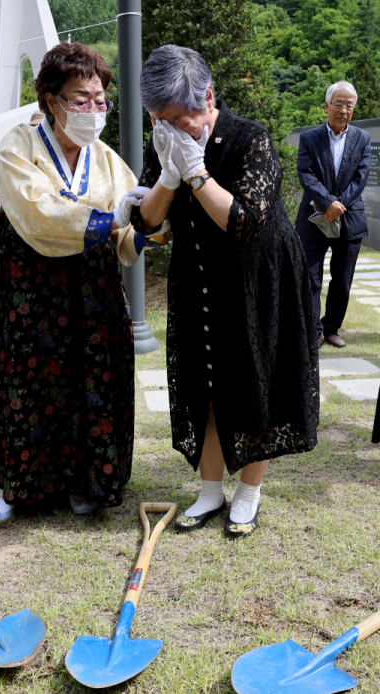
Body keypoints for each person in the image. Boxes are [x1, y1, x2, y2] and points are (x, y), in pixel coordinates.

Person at [0, 42, 166, 522]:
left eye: (100, 99)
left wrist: (148, 219)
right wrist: (112, 219)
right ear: (51, 100)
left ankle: (84, 480)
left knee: (89, 376)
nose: (93, 109)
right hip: (24, 279)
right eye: (80, 99)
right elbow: (38, 212)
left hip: (90, 283)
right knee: (24, 375)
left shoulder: (107, 159)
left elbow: (130, 231)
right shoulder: (15, 146)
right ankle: (16, 484)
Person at [132, 45, 319, 538]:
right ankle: (210, 490)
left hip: (258, 278)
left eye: (177, 117)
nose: (170, 128)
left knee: (253, 380)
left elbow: (242, 223)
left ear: (207, 97)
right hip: (198, 278)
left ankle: (249, 494)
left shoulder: (250, 138)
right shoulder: (168, 141)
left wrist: (195, 173)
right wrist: (169, 175)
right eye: (159, 119)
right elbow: (147, 223)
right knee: (204, 383)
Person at [296, 81, 371, 349]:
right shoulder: (309, 138)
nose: (343, 110)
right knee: (311, 277)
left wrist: (340, 204)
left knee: (342, 280)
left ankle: (331, 328)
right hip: (314, 218)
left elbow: (361, 177)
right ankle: (313, 330)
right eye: (338, 104)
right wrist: (328, 202)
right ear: (326, 106)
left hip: (350, 219)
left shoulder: (362, 139)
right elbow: (306, 173)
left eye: (348, 105)